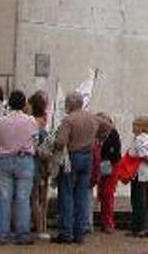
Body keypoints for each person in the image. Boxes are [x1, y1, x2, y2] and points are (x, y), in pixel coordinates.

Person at [53, 92, 96, 244]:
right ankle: (80, 232)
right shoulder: (91, 118)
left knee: (66, 194)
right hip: (88, 156)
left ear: (70, 104)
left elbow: (60, 142)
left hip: (72, 156)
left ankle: (66, 232)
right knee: (82, 195)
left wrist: (53, 142)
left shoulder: (68, 119)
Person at [0, 90, 36, 245]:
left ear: (9, 104)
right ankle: (22, 233)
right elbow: (35, 138)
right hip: (24, 159)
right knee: (23, 197)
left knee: (4, 197)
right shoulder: (30, 120)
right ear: (24, 104)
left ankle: (2, 233)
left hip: (5, 158)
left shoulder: (1, 121)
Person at [126, 116, 148, 238]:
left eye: (135, 125)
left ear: (141, 127)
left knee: (138, 200)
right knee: (143, 200)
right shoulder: (147, 138)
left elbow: (143, 154)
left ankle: (141, 227)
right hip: (144, 173)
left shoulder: (141, 138)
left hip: (139, 173)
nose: (133, 128)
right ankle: (144, 227)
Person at [26, 91, 52, 239]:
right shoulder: (41, 129)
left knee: (34, 198)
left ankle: (37, 226)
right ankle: (41, 228)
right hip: (40, 166)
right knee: (40, 199)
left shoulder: (28, 124)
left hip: (31, 165)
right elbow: (46, 151)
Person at [95, 113, 122, 233]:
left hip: (110, 164)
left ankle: (108, 222)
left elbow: (114, 154)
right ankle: (105, 220)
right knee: (102, 193)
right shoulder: (100, 134)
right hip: (104, 164)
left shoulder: (112, 134)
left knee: (107, 193)